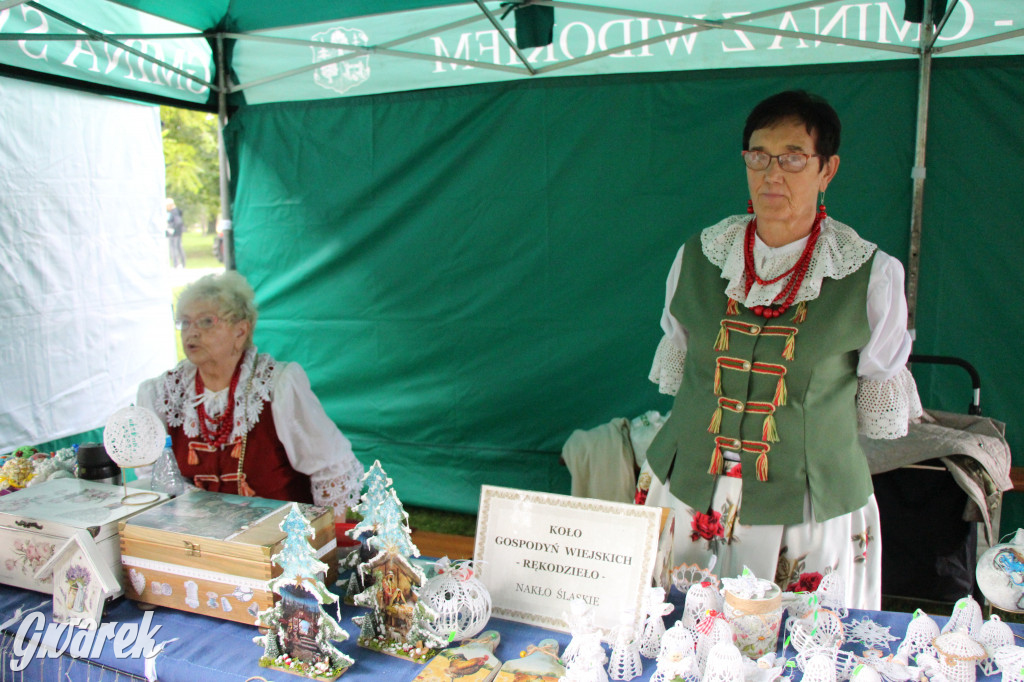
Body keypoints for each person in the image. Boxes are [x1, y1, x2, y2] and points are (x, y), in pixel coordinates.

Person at [639, 90, 921, 609]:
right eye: (759, 155)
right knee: (674, 638)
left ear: (827, 168)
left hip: (805, 507)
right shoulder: (700, 256)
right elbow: (684, 373)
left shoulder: (872, 275)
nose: (773, 173)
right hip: (690, 492)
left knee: (796, 649)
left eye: (793, 157)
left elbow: (872, 403)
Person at [136, 271, 364, 517]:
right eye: (185, 322)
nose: (192, 332)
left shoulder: (277, 386)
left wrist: (322, 541)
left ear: (240, 331)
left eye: (206, 321)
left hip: (279, 539)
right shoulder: (163, 393)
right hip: (198, 539)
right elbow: (153, 477)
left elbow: (332, 469)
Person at [166, 198, 186, 268]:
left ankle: (176, 264)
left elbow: (177, 222)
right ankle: (182, 263)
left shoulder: (174, 212)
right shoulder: (176, 211)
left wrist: (171, 228)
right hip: (177, 232)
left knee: (174, 248)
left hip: (174, 233)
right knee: (178, 247)